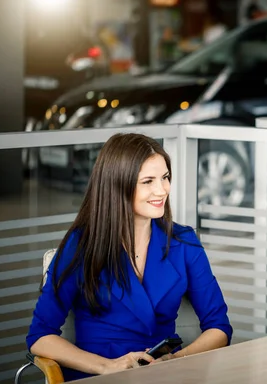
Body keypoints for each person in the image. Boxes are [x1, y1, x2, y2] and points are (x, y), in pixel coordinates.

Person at [26, 133, 232, 381]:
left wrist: (176, 360)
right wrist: (107, 366)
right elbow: (40, 336)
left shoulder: (184, 242)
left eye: (165, 177)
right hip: (99, 375)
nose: (162, 189)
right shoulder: (81, 245)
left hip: (162, 374)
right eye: (148, 181)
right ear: (117, 185)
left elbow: (219, 326)